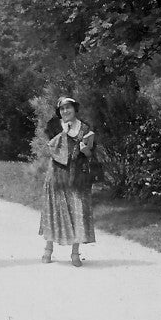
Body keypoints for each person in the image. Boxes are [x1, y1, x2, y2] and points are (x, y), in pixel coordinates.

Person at [40, 95, 96, 266]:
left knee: (78, 211)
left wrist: (85, 150)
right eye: (62, 109)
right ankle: (48, 250)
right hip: (56, 174)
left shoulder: (85, 128)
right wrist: (65, 133)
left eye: (68, 107)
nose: (65, 111)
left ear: (74, 109)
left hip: (77, 175)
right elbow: (51, 148)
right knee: (54, 212)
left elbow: (91, 154)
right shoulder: (53, 125)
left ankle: (75, 254)